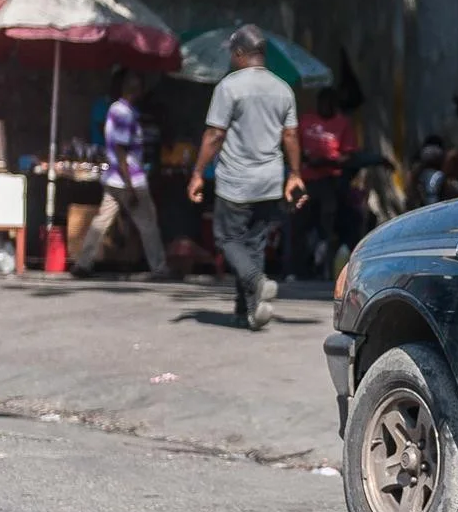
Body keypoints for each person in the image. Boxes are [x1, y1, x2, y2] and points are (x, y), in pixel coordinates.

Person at [188, 25, 306, 329]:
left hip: (236, 182)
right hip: (269, 181)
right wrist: (294, 174)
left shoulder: (229, 87)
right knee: (253, 245)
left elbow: (215, 134)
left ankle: (256, 282)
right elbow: (291, 135)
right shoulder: (283, 89)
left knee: (226, 238)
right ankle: (248, 311)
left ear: (240, 53)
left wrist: (198, 172)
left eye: (231, 53)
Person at [72, 68, 168, 279]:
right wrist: (131, 185)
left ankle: (83, 262)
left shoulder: (120, 110)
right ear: (136, 90)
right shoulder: (123, 112)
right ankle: (159, 267)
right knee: (148, 224)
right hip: (128, 178)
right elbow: (120, 150)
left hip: (114, 178)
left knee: (101, 221)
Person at [298, 88, 359, 276]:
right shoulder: (306, 121)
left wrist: (325, 161)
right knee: (298, 222)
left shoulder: (343, 123)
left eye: (329, 102)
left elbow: (348, 156)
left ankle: (326, 262)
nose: (324, 106)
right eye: (321, 102)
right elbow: (294, 148)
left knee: (330, 216)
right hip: (305, 179)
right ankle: (296, 267)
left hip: (330, 179)